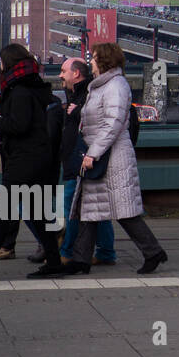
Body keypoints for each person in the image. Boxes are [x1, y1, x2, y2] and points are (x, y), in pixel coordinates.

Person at [0, 44, 68, 282]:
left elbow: (20, 125)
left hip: (24, 160)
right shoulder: (32, 87)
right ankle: (53, 262)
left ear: (8, 62)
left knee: (2, 212)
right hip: (36, 158)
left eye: (0, 60)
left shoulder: (19, 91)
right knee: (36, 213)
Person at [65, 42, 167, 275]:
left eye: (94, 57)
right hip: (100, 156)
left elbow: (112, 124)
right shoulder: (100, 86)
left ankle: (153, 252)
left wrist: (92, 153)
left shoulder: (116, 86)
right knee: (89, 210)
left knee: (125, 212)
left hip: (112, 159)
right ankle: (81, 260)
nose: (90, 61)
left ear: (104, 61)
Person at [39, 58, 118, 267]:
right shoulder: (77, 95)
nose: (60, 75)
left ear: (76, 74)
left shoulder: (87, 96)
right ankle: (106, 252)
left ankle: (67, 252)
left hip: (81, 160)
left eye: (64, 71)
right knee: (96, 208)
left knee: (71, 207)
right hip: (81, 159)